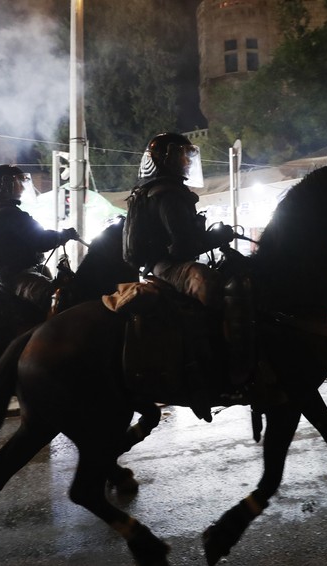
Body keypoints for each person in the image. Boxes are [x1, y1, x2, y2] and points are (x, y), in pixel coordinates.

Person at [121, 132, 236, 420]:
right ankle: (220, 368)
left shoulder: (154, 190)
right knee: (216, 287)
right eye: (182, 154)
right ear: (166, 159)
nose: (187, 160)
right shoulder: (168, 194)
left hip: (157, 266)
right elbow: (183, 245)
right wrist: (216, 237)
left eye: (188, 154)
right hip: (171, 267)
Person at [0, 164, 79, 312]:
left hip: (7, 278)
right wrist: (65, 235)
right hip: (20, 279)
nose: (22, 187)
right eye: (18, 182)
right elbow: (40, 240)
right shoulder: (9, 214)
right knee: (62, 299)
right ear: (6, 185)